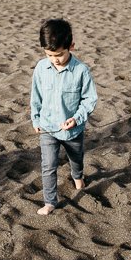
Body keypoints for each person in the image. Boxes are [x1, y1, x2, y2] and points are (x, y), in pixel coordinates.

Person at [30, 19, 98, 215]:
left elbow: (89, 99)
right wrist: (35, 119)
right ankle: (49, 201)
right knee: (48, 165)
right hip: (48, 128)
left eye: (59, 54)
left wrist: (77, 118)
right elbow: (36, 96)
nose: (55, 59)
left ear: (71, 46)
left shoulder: (81, 71)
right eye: (49, 55)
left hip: (73, 130)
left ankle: (78, 176)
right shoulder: (41, 68)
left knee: (76, 159)